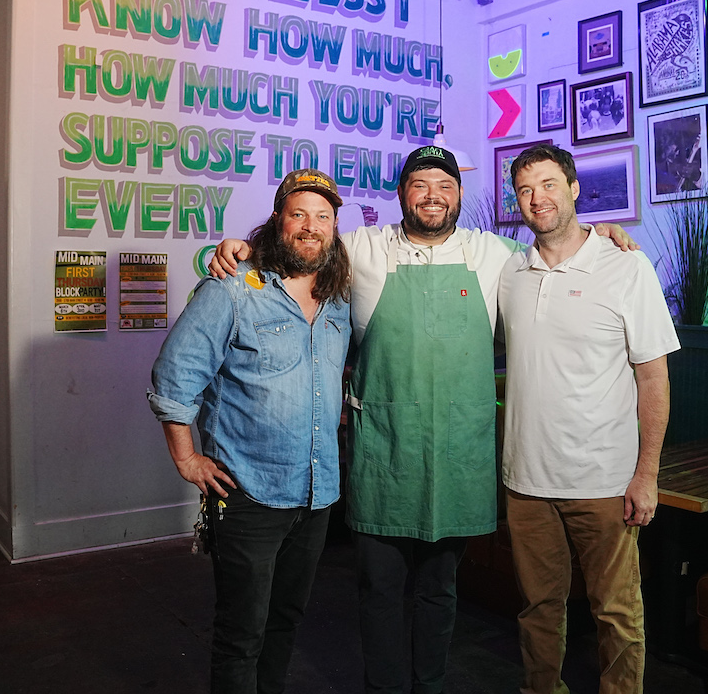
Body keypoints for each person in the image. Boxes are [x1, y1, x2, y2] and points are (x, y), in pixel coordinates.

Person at [210, 147, 636, 694]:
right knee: (379, 589)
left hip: (459, 454)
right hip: (385, 454)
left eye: (445, 184)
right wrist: (238, 247)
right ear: (401, 193)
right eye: (419, 183)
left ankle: (429, 685)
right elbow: (299, 247)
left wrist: (605, 236)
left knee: (440, 589)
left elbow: (558, 248)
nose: (432, 194)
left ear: (459, 194)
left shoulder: (498, 255)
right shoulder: (360, 248)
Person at [148, 168, 352, 694]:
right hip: (249, 494)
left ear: (335, 228)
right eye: (299, 214)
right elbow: (175, 375)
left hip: (317, 493)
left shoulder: (339, 301)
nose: (311, 226)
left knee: (285, 623)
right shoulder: (234, 288)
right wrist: (187, 458)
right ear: (277, 222)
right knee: (242, 634)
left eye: (323, 217)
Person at [497, 144, 679, 694]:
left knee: (617, 615)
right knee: (536, 609)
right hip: (525, 481)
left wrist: (646, 475)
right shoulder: (510, 270)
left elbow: (653, 378)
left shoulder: (624, 264)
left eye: (549, 185)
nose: (538, 199)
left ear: (575, 189)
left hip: (604, 480)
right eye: (526, 190)